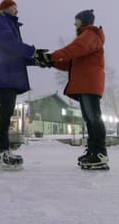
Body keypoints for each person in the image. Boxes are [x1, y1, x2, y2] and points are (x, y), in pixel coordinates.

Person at [35, 9, 109, 170]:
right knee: (90, 119)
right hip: (85, 83)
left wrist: (51, 56)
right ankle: (93, 151)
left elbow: (73, 49)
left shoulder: (90, 35)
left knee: (94, 118)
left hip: (89, 82)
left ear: (84, 21)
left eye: (77, 20)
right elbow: (71, 63)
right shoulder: (86, 38)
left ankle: (100, 153)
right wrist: (50, 62)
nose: (75, 23)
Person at [0, 0, 45, 168]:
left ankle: (1, 151)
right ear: (5, 9)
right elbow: (10, 45)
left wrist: (37, 60)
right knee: (5, 113)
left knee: (7, 111)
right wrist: (33, 50)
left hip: (8, 75)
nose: (16, 12)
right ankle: (2, 150)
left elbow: (17, 53)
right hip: (4, 74)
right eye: (14, 9)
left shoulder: (9, 24)